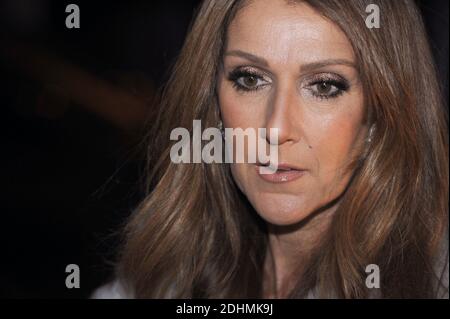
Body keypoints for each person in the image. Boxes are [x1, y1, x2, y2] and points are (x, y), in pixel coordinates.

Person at [93, 0, 449, 298]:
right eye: (250, 79)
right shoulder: (166, 276)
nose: (276, 129)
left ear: (378, 117)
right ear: (214, 103)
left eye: (324, 86)